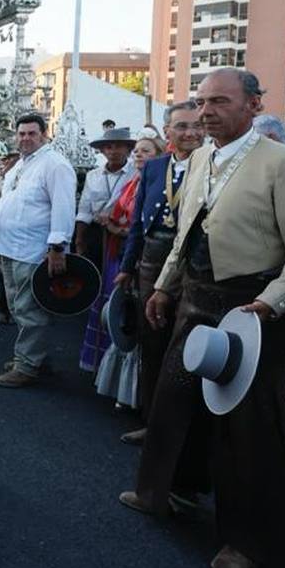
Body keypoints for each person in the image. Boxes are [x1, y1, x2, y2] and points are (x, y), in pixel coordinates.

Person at [120, 68, 285, 568]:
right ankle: (164, 492)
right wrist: (165, 287)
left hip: (259, 310)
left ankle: (253, 542)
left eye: (219, 101)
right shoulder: (197, 160)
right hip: (198, 297)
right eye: (200, 102)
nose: (206, 111)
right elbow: (183, 236)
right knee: (172, 400)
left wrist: (269, 303)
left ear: (254, 105)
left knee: (248, 428)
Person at [115, 100, 205, 445]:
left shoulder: (213, 165)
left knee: (185, 347)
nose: (191, 133)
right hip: (151, 262)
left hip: (193, 266)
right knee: (151, 343)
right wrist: (126, 268)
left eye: (197, 126)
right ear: (167, 131)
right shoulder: (154, 167)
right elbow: (138, 224)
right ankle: (151, 422)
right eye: (182, 126)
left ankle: (182, 430)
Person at [0, 113, 78, 388]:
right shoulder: (22, 163)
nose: (25, 138)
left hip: (32, 250)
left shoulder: (55, 165)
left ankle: (27, 366)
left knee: (30, 310)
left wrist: (57, 247)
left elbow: (64, 207)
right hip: (9, 248)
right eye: (21, 133)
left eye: (31, 133)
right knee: (19, 307)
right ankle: (34, 358)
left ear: (44, 134)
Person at [93, 136, 162, 410]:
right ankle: (121, 389)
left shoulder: (160, 182)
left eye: (146, 151)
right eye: (138, 151)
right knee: (121, 320)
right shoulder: (135, 181)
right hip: (122, 257)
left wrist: (114, 229)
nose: (139, 155)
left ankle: (137, 397)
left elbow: (142, 227)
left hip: (142, 262)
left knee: (136, 324)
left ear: (160, 154)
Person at [75, 127, 135, 372]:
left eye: (119, 146)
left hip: (124, 241)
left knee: (119, 295)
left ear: (128, 149)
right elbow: (84, 210)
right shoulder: (93, 176)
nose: (113, 151)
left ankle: (118, 359)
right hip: (97, 238)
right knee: (98, 294)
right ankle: (97, 360)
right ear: (102, 151)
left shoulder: (136, 174)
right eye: (108, 147)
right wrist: (79, 243)